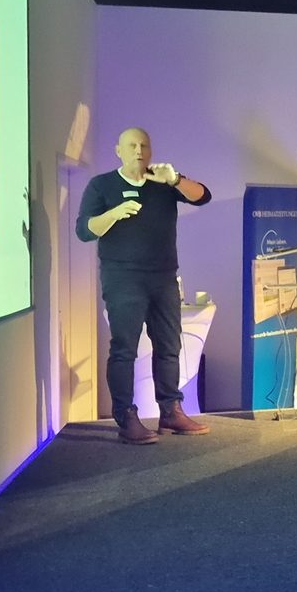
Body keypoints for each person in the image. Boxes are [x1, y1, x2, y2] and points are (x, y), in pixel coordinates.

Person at [75, 126, 212, 444]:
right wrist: (114, 214)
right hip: (122, 277)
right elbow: (84, 230)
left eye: (144, 145)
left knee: (169, 346)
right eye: (131, 145)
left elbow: (203, 196)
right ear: (118, 151)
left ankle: (170, 411)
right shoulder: (102, 185)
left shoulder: (162, 181)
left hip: (164, 276)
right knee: (124, 349)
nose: (138, 150)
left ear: (150, 151)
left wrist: (175, 179)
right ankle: (126, 418)